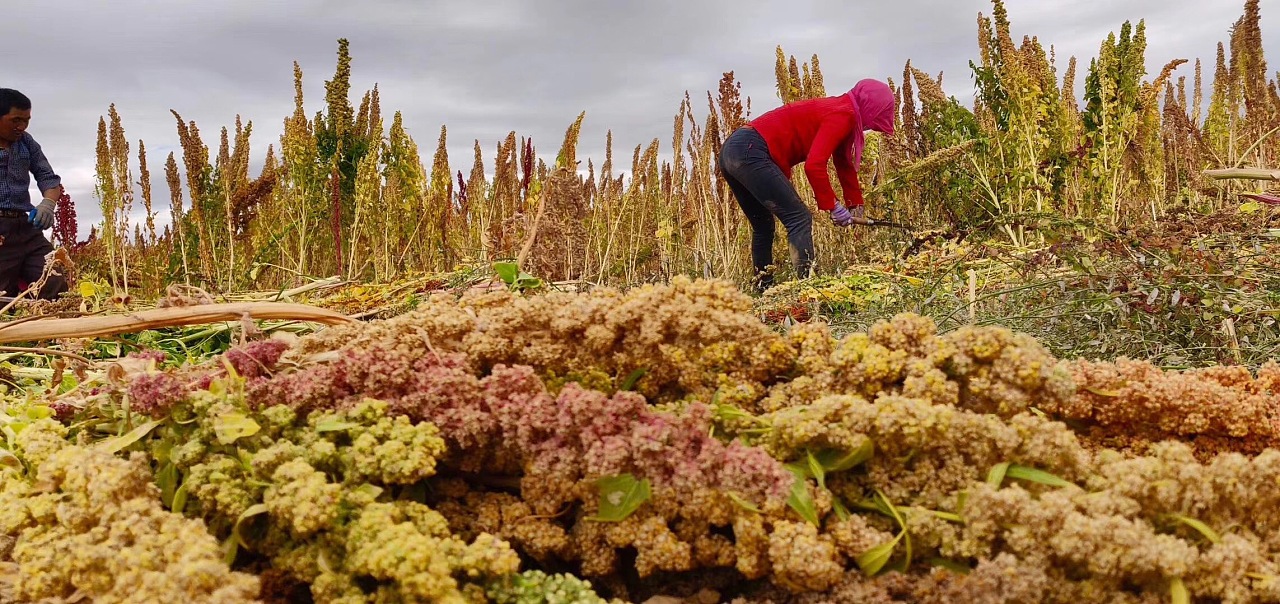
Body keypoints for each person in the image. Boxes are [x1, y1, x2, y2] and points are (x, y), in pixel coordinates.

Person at [718, 78, 896, 293]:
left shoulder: (842, 109)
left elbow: (843, 162)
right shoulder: (843, 114)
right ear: (871, 108)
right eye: (874, 119)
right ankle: (807, 288)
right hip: (750, 150)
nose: (869, 127)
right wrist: (832, 205)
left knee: (763, 226)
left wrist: (854, 203)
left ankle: (763, 290)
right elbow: (814, 165)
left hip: (733, 150)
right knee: (799, 218)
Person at [0, 88, 67, 300]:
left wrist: (47, 204)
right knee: (3, 296)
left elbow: (48, 178)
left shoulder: (26, 142)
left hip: (26, 228)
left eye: (26, 120)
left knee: (53, 278)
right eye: (15, 120)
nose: (21, 127)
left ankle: (52, 321)